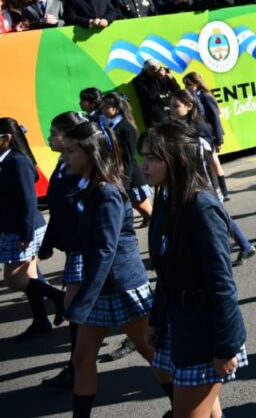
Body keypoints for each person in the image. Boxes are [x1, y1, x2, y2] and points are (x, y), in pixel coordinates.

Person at [62, 121, 170, 417]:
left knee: (150, 351)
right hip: (99, 286)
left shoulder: (107, 191)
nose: (64, 156)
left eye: (71, 151)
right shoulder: (85, 185)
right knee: (81, 359)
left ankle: (184, 405)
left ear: (90, 154)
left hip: (122, 285)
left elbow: (105, 250)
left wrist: (82, 300)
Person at [141, 120, 247, 417]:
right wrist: (156, 321)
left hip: (205, 333)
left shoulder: (202, 207)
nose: (143, 165)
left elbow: (222, 283)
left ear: (177, 159)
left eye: (152, 157)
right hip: (179, 324)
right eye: (143, 156)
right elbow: (166, 271)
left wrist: (224, 347)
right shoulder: (166, 198)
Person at [166, 90, 256, 265]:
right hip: (190, 181)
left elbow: (209, 157)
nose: (171, 110)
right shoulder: (178, 125)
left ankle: (238, 247)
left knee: (216, 216)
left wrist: (219, 186)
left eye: (176, 106)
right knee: (213, 217)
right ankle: (243, 246)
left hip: (204, 181)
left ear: (189, 106)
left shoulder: (198, 126)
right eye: (170, 106)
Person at [0, 118, 66, 342]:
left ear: (6, 138)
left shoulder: (17, 161)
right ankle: (40, 320)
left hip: (24, 228)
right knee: (29, 276)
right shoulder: (5, 159)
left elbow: (29, 201)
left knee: (14, 279)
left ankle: (59, 298)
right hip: (13, 226)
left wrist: (26, 234)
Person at [38, 112, 89, 389]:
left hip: (84, 247)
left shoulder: (81, 168)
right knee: (78, 311)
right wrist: (48, 242)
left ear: (69, 136)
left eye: (53, 133)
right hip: (74, 247)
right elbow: (58, 209)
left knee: (74, 308)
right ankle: (77, 368)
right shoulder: (63, 163)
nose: (49, 138)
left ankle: (75, 367)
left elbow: (66, 204)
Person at [98, 92, 153, 225]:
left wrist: (125, 182)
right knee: (140, 207)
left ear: (117, 109)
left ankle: (165, 230)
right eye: (103, 106)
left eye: (107, 107)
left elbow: (129, 158)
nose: (103, 110)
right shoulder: (112, 125)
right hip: (121, 174)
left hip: (130, 177)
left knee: (146, 210)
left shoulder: (126, 128)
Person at [182, 72, 225, 152]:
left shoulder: (205, 96)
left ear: (196, 84)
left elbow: (215, 118)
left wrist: (219, 140)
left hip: (210, 134)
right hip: (201, 134)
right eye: (185, 84)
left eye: (188, 84)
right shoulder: (194, 97)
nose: (186, 87)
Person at [132, 59, 181, 128]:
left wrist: (171, 79)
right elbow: (150, 96)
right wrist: (156, 78)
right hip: (156, 119)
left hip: (172, 114)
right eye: (154, 70)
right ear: (147, 70)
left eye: (159, 69)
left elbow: (177, 91)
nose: (158, 72)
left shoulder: (164, 74)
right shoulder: (139, 81)